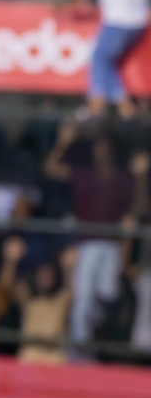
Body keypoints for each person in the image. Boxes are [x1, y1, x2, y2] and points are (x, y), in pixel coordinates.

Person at [44, 122, 137, 354]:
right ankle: (79, 352)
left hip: (112, 245)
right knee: (83, 300)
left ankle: (96, 346)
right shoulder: (85, 175)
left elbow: (132, 216)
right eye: (98, 147)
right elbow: (50, 168)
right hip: (87, 244)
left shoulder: (123, 179)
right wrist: (63, 142)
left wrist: (125, 250)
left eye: (106, 147)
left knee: (107, 296)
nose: (102, 152)